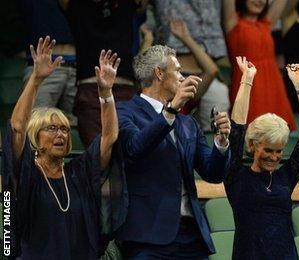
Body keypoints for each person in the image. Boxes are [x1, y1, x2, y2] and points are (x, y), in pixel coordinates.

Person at [2, 37, 120, 259]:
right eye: (52, 128)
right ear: (35, 136)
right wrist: (36, 80)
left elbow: (109, 137)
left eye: (65, 129)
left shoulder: (78, 172)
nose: (61, 134)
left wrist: (106, 94)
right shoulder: (28, 173)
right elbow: (17, 128)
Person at [114, 45, 231, 259]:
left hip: (192, 237)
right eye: (177, 70)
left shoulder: (188, 123)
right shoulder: (125, 111)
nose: (182, 76)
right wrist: (170, 111)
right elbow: (134, 149)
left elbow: (213, 174)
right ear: (159, 73)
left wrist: (221, 143)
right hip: (148, 238)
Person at [226, 57, 299, 259]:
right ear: (252, 145)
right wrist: (247, 80)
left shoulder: (285, 177)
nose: (274, 157)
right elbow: (237, 130)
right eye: (268, 150)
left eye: (279, 151)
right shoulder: (236, 176)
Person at [61, 0, 148, 147]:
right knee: (97, 156)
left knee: (129, 155)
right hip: (90, 90)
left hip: (124, 90)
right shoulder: (77, 5)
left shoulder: (127, 4)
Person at [223, 0, 296, 130]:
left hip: (273, 87)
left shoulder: (266, 23)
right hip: (248, 86)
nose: (260, 1)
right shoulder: (233, 23)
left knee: (277, 135)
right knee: (249, 134)